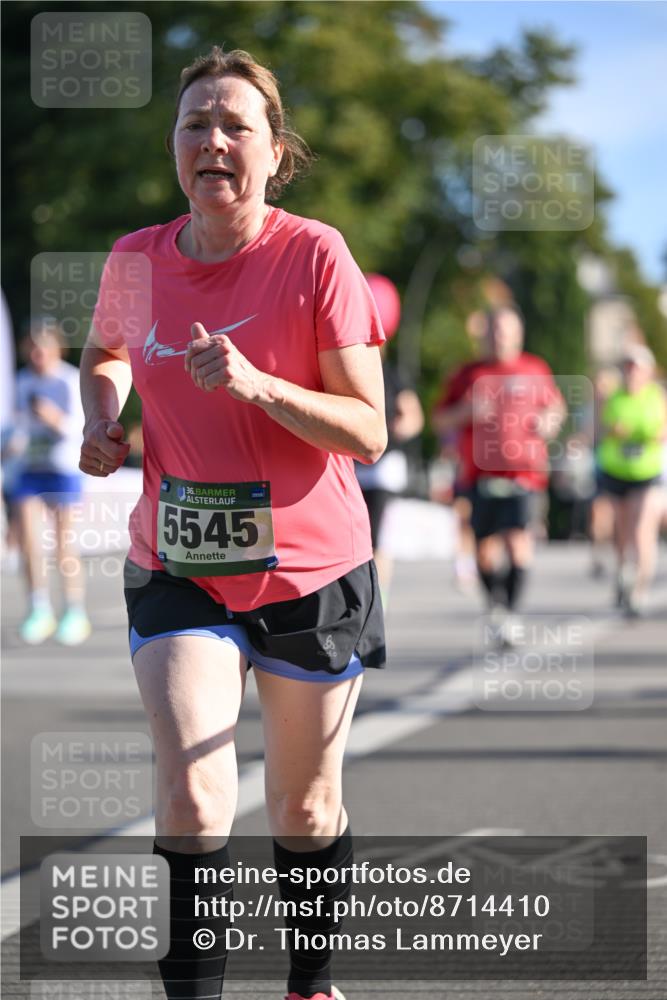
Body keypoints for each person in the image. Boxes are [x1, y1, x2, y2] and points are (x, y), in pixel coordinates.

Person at [79, 47, 387, 1000]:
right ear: (174, 145)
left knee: (302, 806)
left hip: (312, 572)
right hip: (179, 565)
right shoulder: (136, 258)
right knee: (196, 797)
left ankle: (308, 983)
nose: (211, 140)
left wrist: (257, 384)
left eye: (234, 126)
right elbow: (105, 352)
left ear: (275, 153)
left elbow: (368, 429)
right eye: (193, 125)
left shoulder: (313, 253)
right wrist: (104, 417)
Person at [432, 306, 565, 645]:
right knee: (485, 552)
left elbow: (556, 407)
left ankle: (511, 614)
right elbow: (439, 420)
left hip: (524, 474)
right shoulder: (467, 374)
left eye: (506, 331)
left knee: (519, 544)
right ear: (484, 334)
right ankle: (497, 607)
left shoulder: (535, 369)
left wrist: (549, 421)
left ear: (518, 334)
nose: (500, 337)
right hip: (479, 476)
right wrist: (467, 412)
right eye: (494, 331)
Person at [9, 319, 91, 645]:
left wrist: (53, 418)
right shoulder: (21, 381)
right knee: (29, 541)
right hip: (29, 468)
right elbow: (15, 427)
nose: (37, 354)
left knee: (62, 543)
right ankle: (38, 608)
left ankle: (74, 610)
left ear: (57, 348)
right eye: (33, 348)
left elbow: (78, 428)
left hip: (63, 469)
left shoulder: (69, 380)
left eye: (44, 348)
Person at [355, 275, 424, 606]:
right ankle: (366, 597)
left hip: (384, 468)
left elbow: (413, 417)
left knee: (379, 539)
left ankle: (377, 600)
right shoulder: (347, 370)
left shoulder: (393, 373)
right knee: (359, 538)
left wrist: (392, 428)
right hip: (353, 467)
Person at [596, 343, 666, 616]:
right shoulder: (613, 397)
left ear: (648, 371)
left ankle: (639, 590)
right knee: (621, 532)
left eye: (637, 368)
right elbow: (605, 427)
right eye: (627, 368)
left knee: (642, 530)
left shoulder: (656, 397)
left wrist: (645, 433)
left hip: (647, 473)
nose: (632, 373)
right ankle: (624, 571)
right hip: (616, 472)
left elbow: (662, 430)